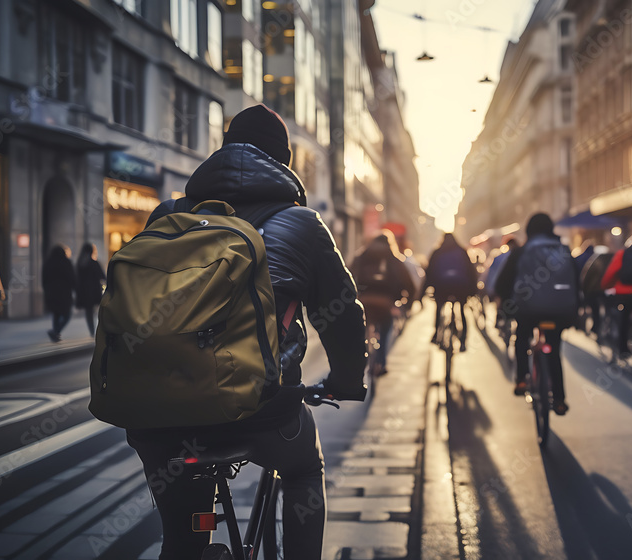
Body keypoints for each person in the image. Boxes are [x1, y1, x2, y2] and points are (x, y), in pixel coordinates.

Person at [125, 104, 367, 560]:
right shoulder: (302, 223)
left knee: (181, 540)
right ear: (284, 162)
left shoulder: (168, 213)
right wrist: (347, 381)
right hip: (259, 408)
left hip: (156, 414)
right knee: (302, 470)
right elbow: (341, 315)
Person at [495, 213, 580, 416]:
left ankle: (522, 378)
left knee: (522, 336)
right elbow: (577, 282)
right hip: (559, 311)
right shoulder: (564, 250)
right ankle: (559, 399)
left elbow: (503, 283)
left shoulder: (522, 251)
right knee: (554, 351)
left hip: (528, 309)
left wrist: (506, 307)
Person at [351, 230, 415, 374]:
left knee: (362, 327)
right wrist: (406, 304)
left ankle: (360, 356)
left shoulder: (361, 256)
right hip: (386, 303)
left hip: (364, 301)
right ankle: (381, 362)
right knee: (386, 328)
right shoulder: (394, 259)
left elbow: (347, 276)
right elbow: (409, 285)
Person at [421, 232, 477, 349]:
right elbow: (471, 272)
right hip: (461, 287)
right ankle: (463, 341)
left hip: (441, 287)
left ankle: (436, 334)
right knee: (462, 311)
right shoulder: (462, 251)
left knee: (438, 308)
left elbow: (429, 272)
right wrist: (473, 291)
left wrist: (424, 292)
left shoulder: (437, 252)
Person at [43, 244, 75, 343]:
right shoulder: (66, 262)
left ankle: (56, 334)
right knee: (68, 315)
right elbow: (72, 278)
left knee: (56, 314)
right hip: (64, 293)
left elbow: (44, 279)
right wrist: (75, 288)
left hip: (51, 293)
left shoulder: (48, 263)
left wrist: (46, 290)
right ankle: (56, 331)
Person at [484, 238, 519, 328]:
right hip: (516, 289)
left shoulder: (499, 257)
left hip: (502, 287)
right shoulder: (521, 255)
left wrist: (490, 288)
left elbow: (491, 274)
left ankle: (499, 322)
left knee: (501, 306)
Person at [75, 242, 106, 337]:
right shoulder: (94, 263)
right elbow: (102, 276)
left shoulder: (79, 264)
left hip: (84, 292)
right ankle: (98, 330)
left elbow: (77, 279)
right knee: (99, 311)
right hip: (94, 291)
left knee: (89, 313)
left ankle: (92, 331)